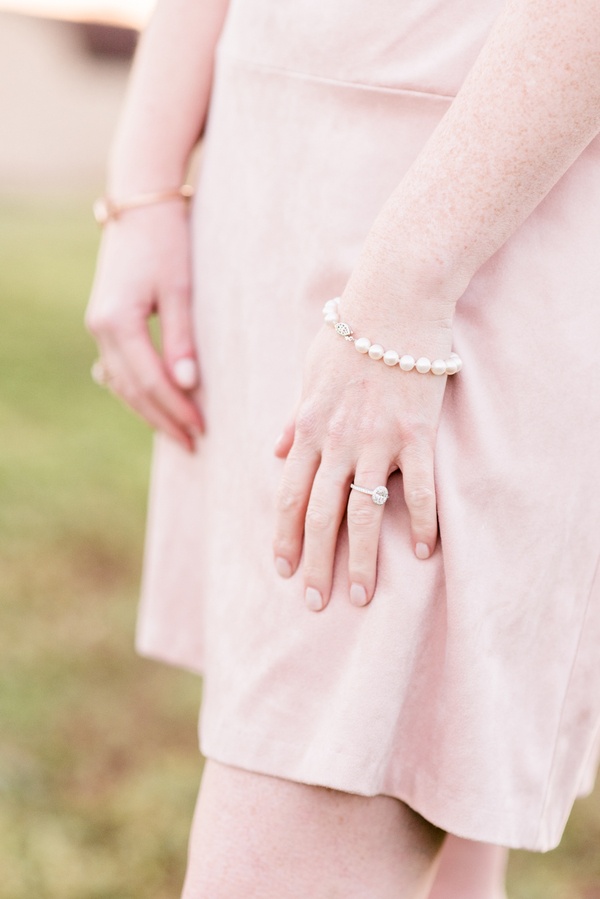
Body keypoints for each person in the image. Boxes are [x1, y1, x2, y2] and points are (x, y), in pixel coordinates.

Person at [86, 0, 600, 895]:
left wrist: (404, 291)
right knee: (432, 807)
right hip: (280, 154)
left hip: (474, 196)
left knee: (341, 761)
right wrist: (144, 180)